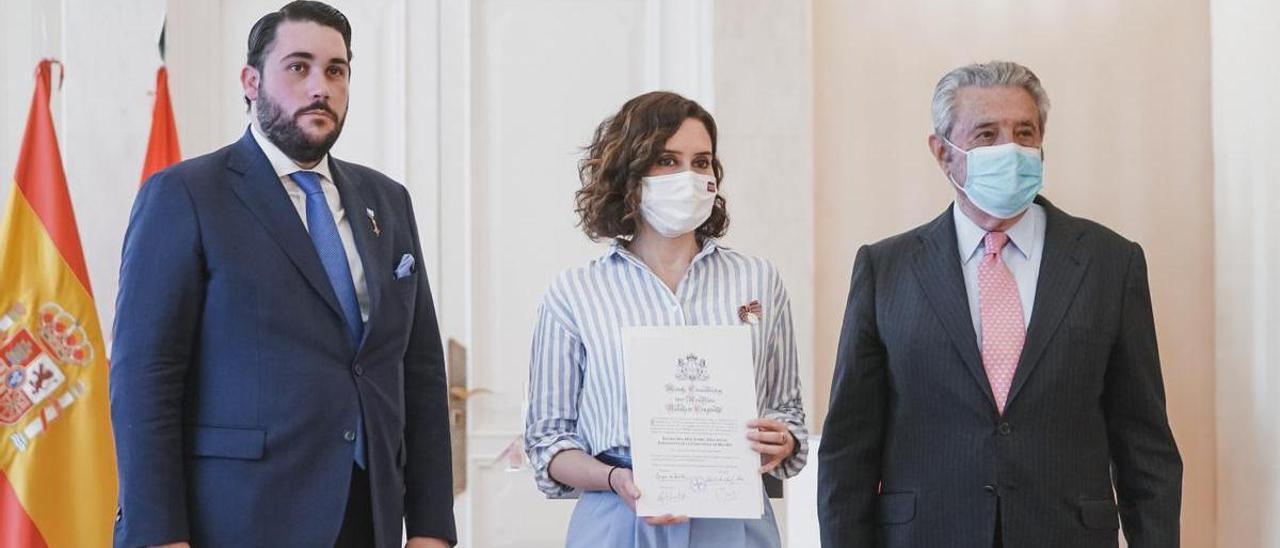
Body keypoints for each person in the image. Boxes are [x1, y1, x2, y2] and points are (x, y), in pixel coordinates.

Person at [110, 2, 455, 546]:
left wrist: (432, 527)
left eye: (335, 70)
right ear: (251, 81)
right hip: (237, 519)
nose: (320, 86)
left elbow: (420, 372)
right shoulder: (186, 195)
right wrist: (158, 534)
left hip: (369, 516)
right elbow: (144, 380)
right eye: (298, 67)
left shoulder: (387, 202)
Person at [817, 61, 1183, 548]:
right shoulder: (885, 270)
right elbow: (848, 451)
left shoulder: (1110, 264)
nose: (1008, 149)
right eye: (986, 134)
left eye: (1024, 133)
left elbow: (1146, 446)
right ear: (944, 154)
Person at [523, 91, 808, 547]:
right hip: (619, 515)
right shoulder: (574, 292)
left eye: (702, 162)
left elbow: (787, 410)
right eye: (667, 161)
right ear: (629, 175)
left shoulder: (758, 281)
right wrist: (616, 480)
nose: (688, 177)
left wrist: (784, 440)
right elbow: (547, 443)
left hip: (732, 520)